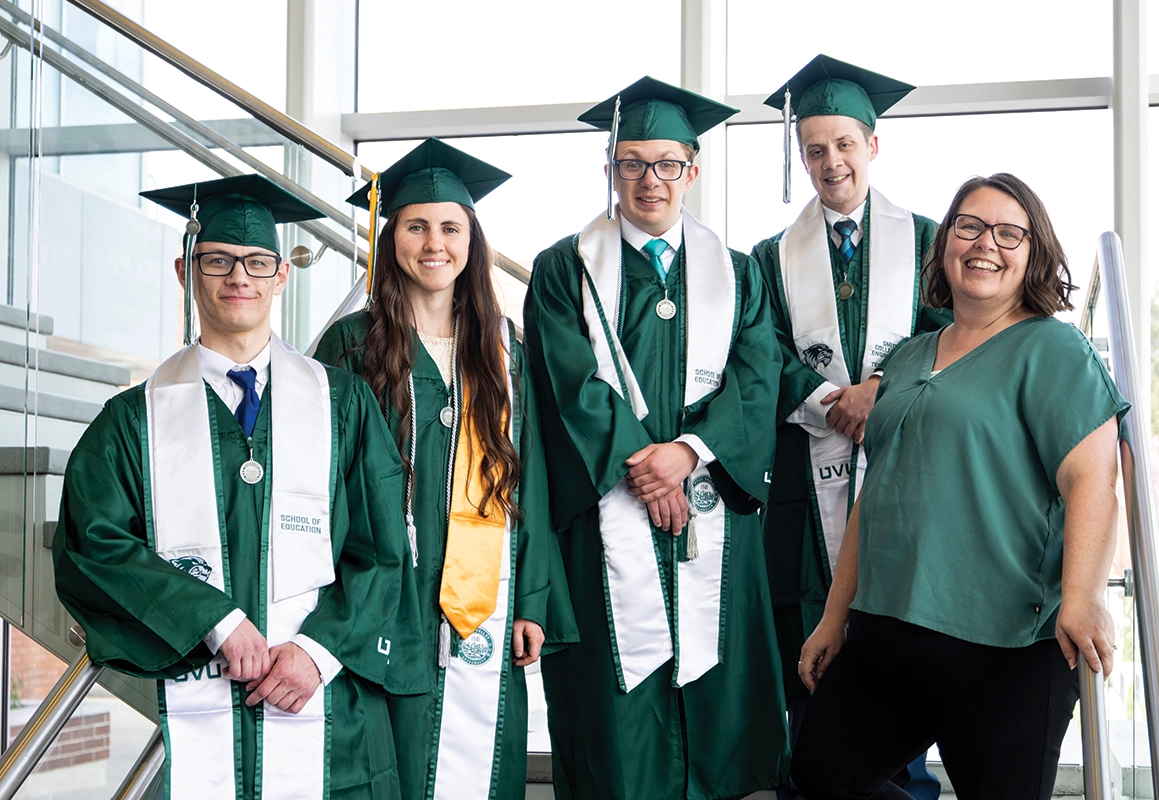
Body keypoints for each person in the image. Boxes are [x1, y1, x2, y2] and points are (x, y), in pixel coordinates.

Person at [52, 174, 428, 799]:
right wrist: (215, 621)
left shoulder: (344, 405)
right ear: (185, 271)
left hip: (330, 719)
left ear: (282, 276)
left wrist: (317, 652)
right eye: (218, 261)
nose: (238, 278)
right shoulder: (133, 419)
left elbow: (386, 549)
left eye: (257, 263)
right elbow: (93, 544)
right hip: (197, 709)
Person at [792, 173, 1129, 800]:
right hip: (887, 630)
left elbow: (1092, 481)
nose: (986, 244)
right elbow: (878, 491)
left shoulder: (1052, 348)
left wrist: (1083, 596)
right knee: (820, 776)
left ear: (1033, 252)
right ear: (945, 243)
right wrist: (835, 616)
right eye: (969, 227)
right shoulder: (910, 356)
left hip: (1004, 645)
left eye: (1009, 233)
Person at [523, 76, 788, 800]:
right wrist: (644, 469)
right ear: (609, 170)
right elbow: (567, 382)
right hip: (607, 518)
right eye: (632, 162)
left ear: (693, 171)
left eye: (666, 163)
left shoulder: (738, 275)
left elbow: (758, 377)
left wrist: (687, 454)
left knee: (715, 700)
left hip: (710, 515)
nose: (650, 180)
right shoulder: (563, 269)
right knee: (614, 719)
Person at [312, 137, 578, 800]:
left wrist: (534, 600)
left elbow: (532, 481)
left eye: (450, 228)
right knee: (383, 767)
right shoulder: (350, 345)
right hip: (383, 598)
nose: (435, 243)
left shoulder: (503, 351)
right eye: (417, 226)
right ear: (392, 236)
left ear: (472, 240)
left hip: (485, 600)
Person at [752, 55, 951, 800]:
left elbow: (947, 335)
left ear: (873, 145)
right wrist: (833, 400)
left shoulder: (931, 238)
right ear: (800, 157)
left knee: (899, 635)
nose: (829, 161)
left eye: (843, 144)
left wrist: (878, 391)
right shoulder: (772, 259)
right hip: (811, 479)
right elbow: (763, 350)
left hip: (904, 471)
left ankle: (906, 782)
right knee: (812, 649)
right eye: (814, 149)